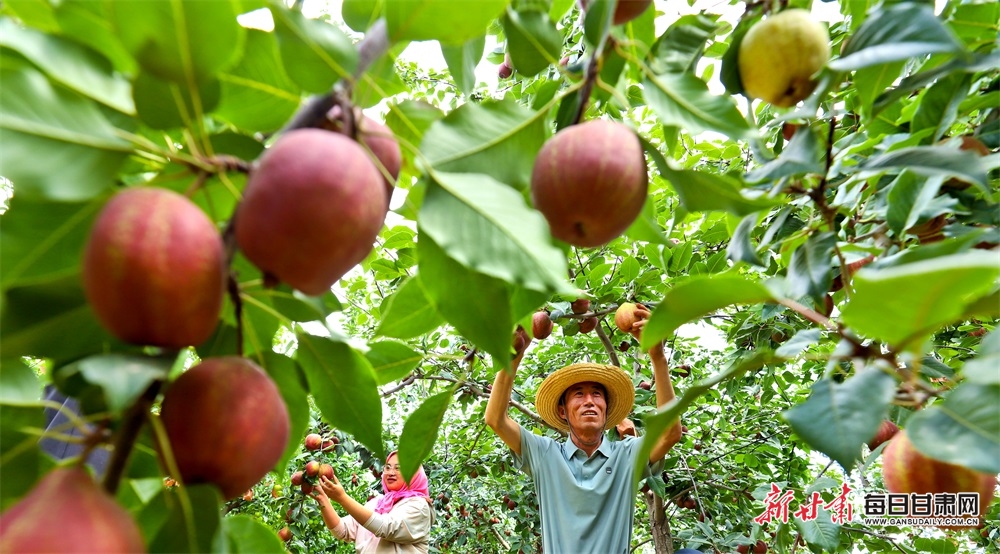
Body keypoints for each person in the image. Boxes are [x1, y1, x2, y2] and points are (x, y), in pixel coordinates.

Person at [485, 304, 683, 554]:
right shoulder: (545, 454)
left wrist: (658, 358)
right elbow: (495, 419)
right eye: (579, 394)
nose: (589, 401)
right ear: (562, 412)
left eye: (597, 394)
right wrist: (514, 357)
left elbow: (670, 433)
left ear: (606, 410)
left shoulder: (627, 455)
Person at [312, 451, 434, 553]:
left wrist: (342, 498)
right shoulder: (377, 504)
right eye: (387, 467)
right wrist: (322, 498)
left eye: (398, 468)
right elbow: (342, 530)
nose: (391, 472)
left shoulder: (419, 506)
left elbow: (386, 527)